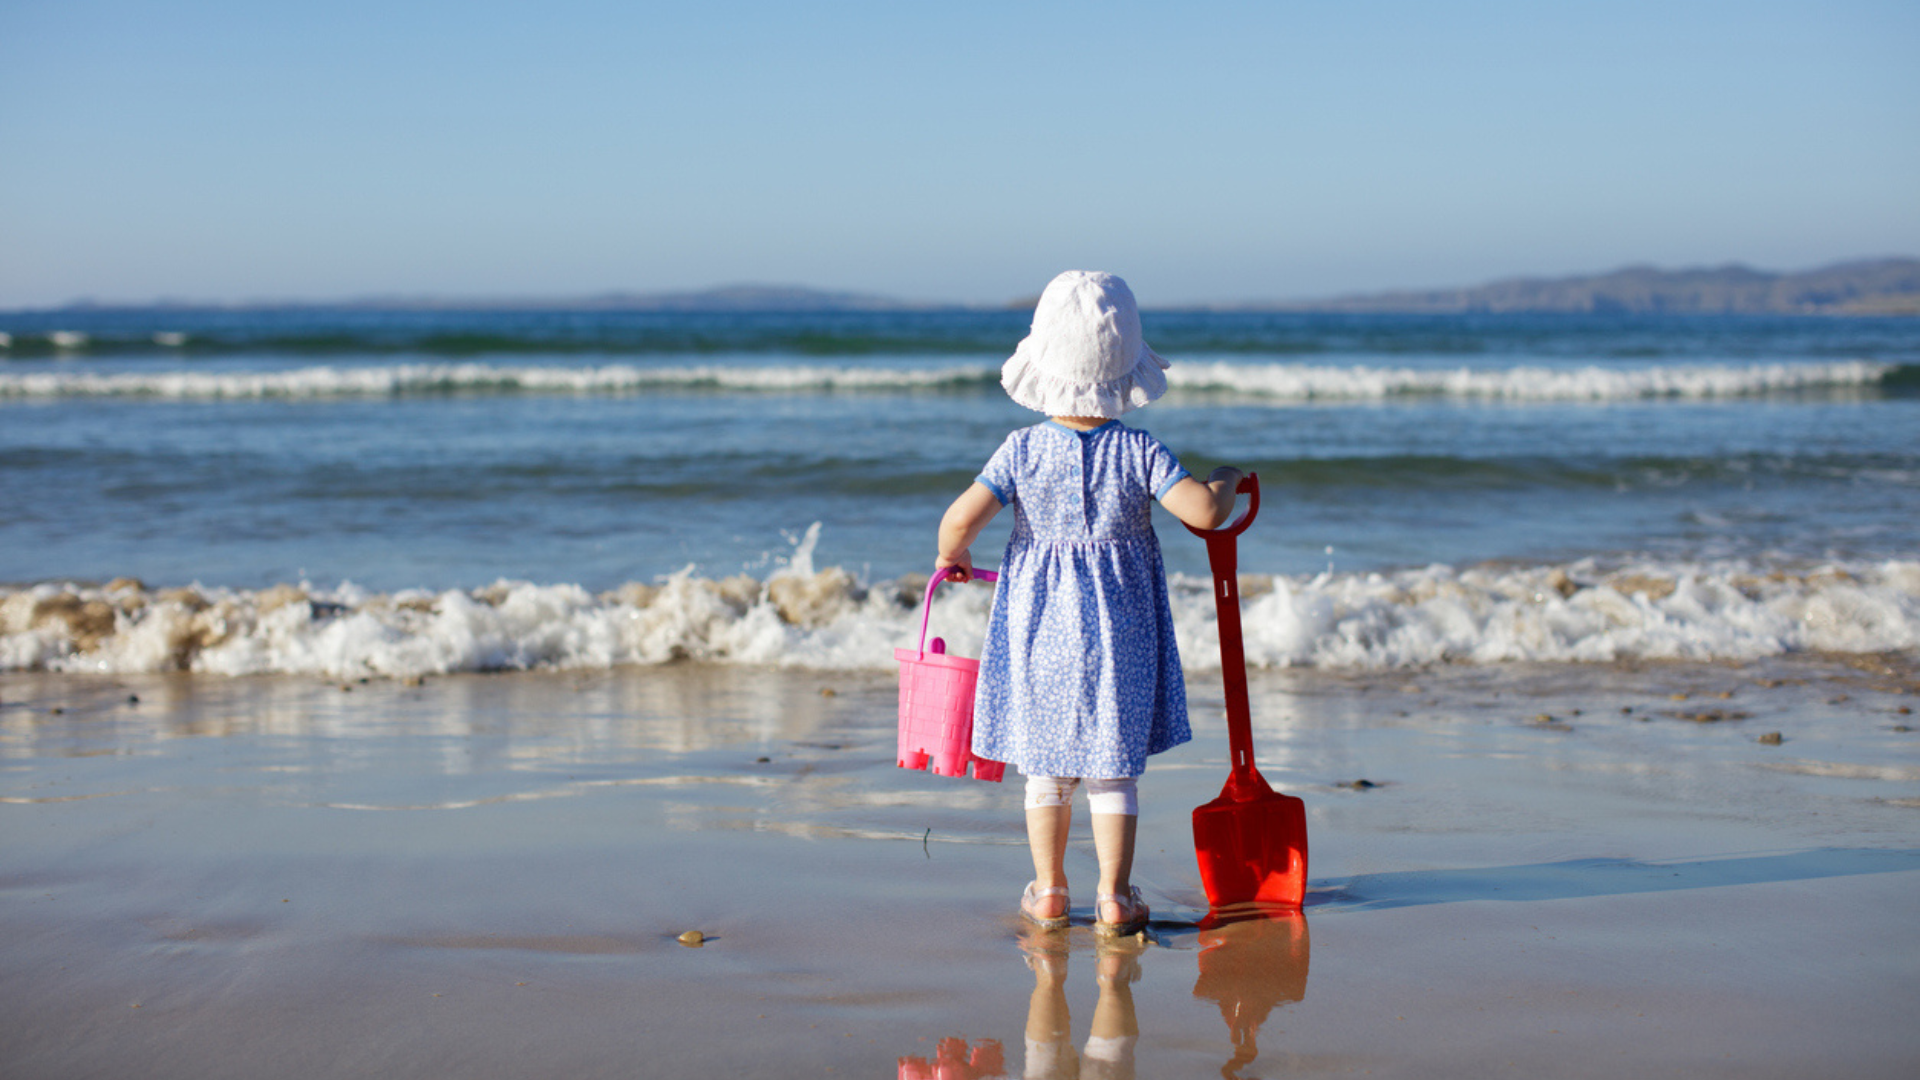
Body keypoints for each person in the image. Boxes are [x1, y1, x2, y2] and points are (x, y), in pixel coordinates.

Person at [936, 270, 1243, 936]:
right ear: (1127, 367)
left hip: (1039, 628)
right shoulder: (1139, 450)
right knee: (1111, 767)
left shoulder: (1021, 450)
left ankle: (1049, 891)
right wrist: (1225, 479)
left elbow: (959, 520)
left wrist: (952, 556)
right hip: (1121, 630)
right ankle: (1114, 897)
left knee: (1046, 766)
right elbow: (1204, 513)